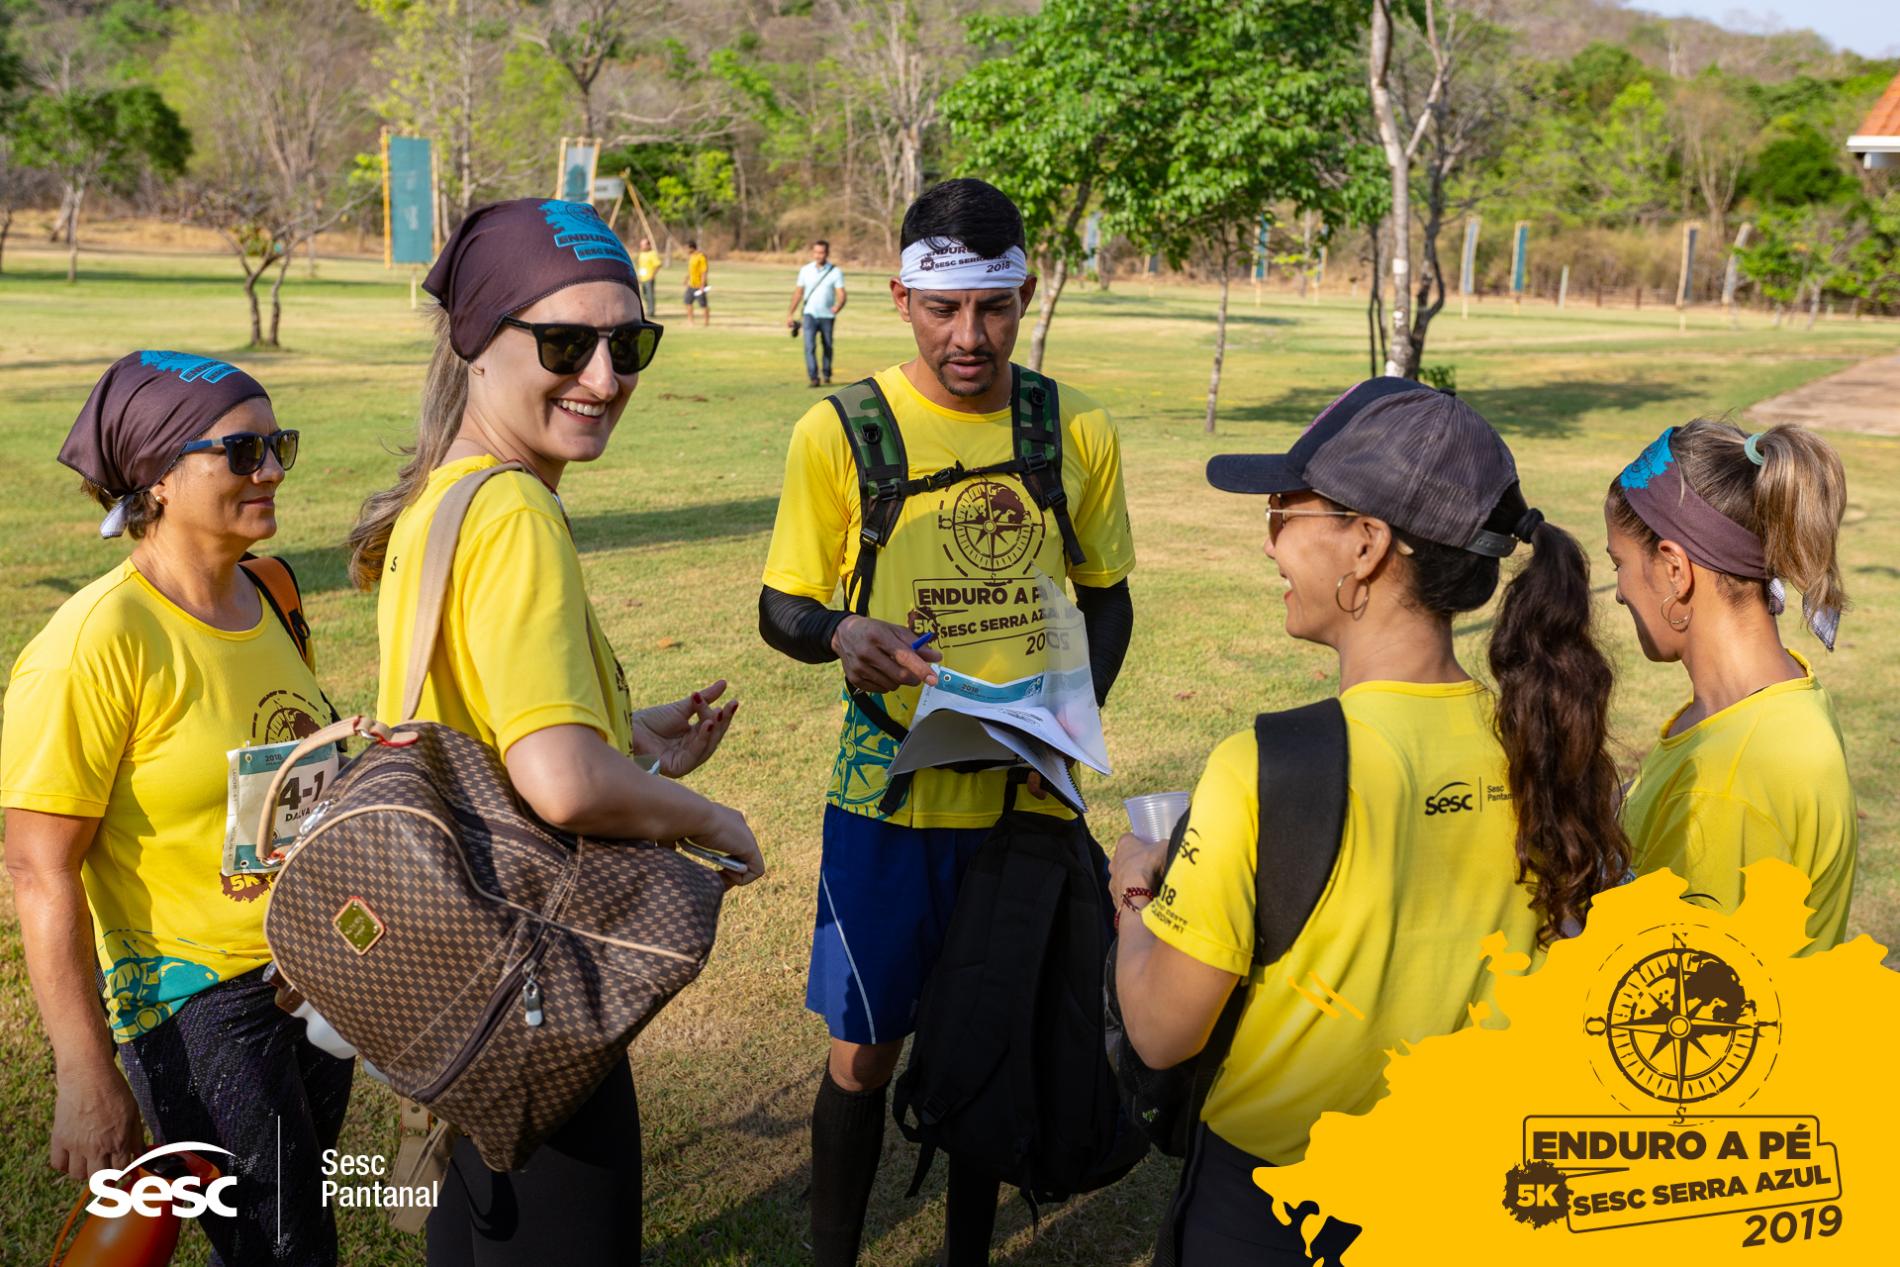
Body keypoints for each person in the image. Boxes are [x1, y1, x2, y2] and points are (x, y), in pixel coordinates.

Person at [1110, 379, 1630, 1264]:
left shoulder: (1263, 769)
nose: (1268, 537)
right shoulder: (1554, 750)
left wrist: (1133, 894)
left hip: (1275, 1213)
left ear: (1366, 542)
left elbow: (1161, 1032)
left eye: (1284, 509)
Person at [345, 197, 765, 1264]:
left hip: (452, 985)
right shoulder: (519, 512)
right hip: (531, 990)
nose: (605, 377)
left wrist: (631, 738)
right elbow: (560, 782)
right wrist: (709, 817)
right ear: (476, 341)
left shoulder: (442, 499)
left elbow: (482, 730)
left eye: (630, 345)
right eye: (567, 344)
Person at [759, 178, 1136, 1266]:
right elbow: (780, 606)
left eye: (994, 308)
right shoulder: (841, 430)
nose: (968, 337)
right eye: (942, 308)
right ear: (900, 298)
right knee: (862, 1054)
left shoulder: (1073, 427)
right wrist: (839, 631)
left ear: (1025, 295)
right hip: (889, 800)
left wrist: (1069, 717)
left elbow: (1106, 596)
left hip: (1026, 800)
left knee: (991, 1039)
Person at [2, 351, 353, 1266]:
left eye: (279, 445)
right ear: (157, 477)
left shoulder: (272, 590)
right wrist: (84, 1070)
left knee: (304, 1226)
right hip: (199, 1008)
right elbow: (38, 867)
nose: (271, 469)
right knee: (281, 1249)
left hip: (313, 972)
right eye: (242, 451)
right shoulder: (95, 643)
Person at [1605, 419, 1855, 948]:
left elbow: (1673, 985)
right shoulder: (1781, 697)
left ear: (1674, 569)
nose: (1620, 592)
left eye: (1619, 564)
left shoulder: (1727, 785)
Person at [788, 238, 846, 387]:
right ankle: (814, 377)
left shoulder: (835, 272)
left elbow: (841, 294)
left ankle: (826, 373)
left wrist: (838, 306)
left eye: (821, 252)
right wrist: (790, 314)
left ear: (827, 253)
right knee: (809, 346)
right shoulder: (805, 270)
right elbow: (798, 293)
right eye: (816, 252)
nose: (818, 255)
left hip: (827, 315)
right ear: (813, 253)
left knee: (827, 346)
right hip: (809, 314)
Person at [683, 239, 710, 326]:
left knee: (703, 304)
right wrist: (686, 279)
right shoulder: (692, 257)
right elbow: (691, 270)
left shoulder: (701, 257)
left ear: (692, 248)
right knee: (688, 302)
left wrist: (702, 285)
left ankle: (706, 322)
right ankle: (690, 321)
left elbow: (704, 272)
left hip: (699, 285)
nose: (686, 250)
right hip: (691, 285)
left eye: (687, 248)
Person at [635, 235, 662, 317]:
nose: (641, 247)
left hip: (649, 278)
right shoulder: (641, 254)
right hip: (642, 278)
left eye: (643, 245)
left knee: (650, 295)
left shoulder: (652, 254)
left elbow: (658, 265)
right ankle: (647, 309)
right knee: (644, 295)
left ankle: (651, 312)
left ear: (648, 245)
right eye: (641, 245)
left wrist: (652, 275)